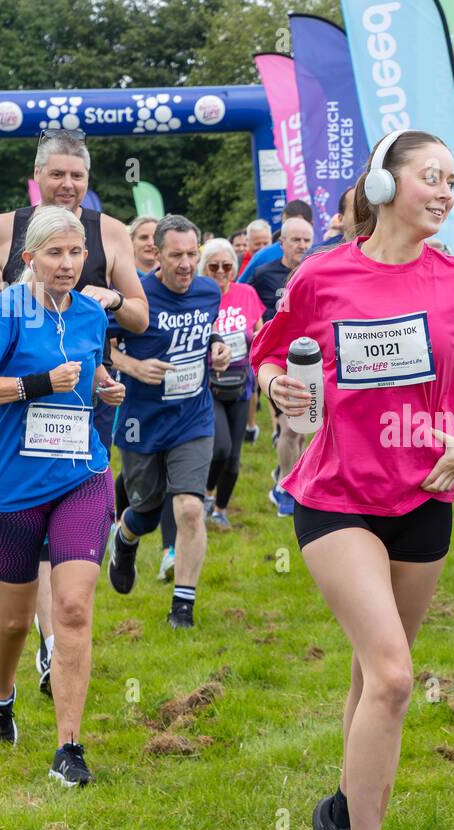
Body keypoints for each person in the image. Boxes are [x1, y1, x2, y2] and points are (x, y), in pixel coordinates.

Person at [252, 128, 454, 830]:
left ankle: (340, 817)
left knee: (369, 677)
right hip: (336, 495)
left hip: (424, 500)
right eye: (431, 177)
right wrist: (275, 384)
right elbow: (272, 348)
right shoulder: (323, 277)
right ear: (383, 186)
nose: (446, 192)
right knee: (393, 675)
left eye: (451, 180)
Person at [0, 128, 148, 694]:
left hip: (87, 389)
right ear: (37, 176)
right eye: (57, 174)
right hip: (19, 393)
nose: (67, 185)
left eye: (77, 176)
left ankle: (55, 634)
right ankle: (41, 638)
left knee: (66, 515)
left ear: (89, 182)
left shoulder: (109, 233)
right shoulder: (3, 228)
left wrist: (110, 298)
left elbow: (139, 314)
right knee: (28, 510)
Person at [0, 204, 126, 787]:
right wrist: (36, 385)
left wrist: (106, 388)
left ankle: (69, 748)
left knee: (74, 608)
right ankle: (1, 699)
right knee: (15, 621)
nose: (68, 264)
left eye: (76, 253)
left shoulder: (90, 315)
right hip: (11, 490)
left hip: (82, 474)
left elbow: (89, 372)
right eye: (55, 253)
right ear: (29, 258)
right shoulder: (5, 312)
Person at [105, 215, 231, 628]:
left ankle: (183, 605)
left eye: (192, 254)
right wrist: (133, 366)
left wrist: (217, 348)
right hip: (142, 419)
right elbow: (101, 349)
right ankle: (125, 539)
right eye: (176, 255)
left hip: (192, 417)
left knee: (190, 508)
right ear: (155, 254)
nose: (186, 263)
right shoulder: (135, 296)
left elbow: (206, 332)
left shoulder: (209, 291)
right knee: (145, 509)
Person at [250, 216, 315, 517]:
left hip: (314, 357)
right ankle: (286, 490)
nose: (302, 245)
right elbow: (246, 305)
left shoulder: (316, 270)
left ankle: (289, 476)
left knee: (303, 429)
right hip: (280, 360)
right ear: (282, 243)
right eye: (296, 240)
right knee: (291, 427)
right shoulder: (263, 274)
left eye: (306, 240)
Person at [199, 237, 262, 529]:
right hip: (208, 383)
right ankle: (205, 494)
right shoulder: (199, 295)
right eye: (214, 266)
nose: (221, 271)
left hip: (241, 384)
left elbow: (261, 336)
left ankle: (220, 509)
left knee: (234, 458)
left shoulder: (247, 293)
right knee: (220, 448)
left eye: (227, 266)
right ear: (204, 269)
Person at [239, 200, 313, 282]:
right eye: (286, 224)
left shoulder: (321, 254)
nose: (302, 245)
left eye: (297, 225)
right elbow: (241, 289)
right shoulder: (263, 256)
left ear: (310, 224)